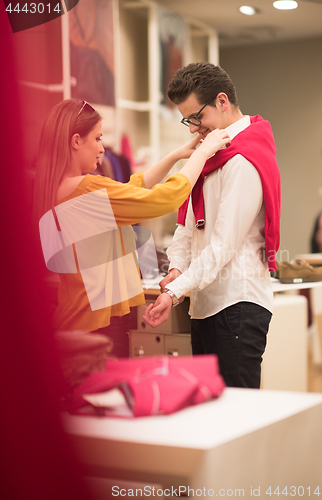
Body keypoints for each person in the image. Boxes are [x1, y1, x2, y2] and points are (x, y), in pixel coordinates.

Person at [33, 98, 230, 358]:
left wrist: (176, 155)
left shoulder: (60, 189)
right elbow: (167, 199)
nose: (102, 149)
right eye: (98, 139)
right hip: (97, 325)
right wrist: (204, 154)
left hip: (80, 319)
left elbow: (133, 188)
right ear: (76, 141)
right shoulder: (85, 189)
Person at [144, 62, 281, 389]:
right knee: (212, 415)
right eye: (186, 120)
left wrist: (175, 292)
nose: (192, 129)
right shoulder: (211, 154)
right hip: (205, 303)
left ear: (222, 101)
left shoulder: (243, 158)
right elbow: (188, 228)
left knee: (238, 418)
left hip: (237, 303)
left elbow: (222, 246)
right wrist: (177, 268)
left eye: (196, 118)